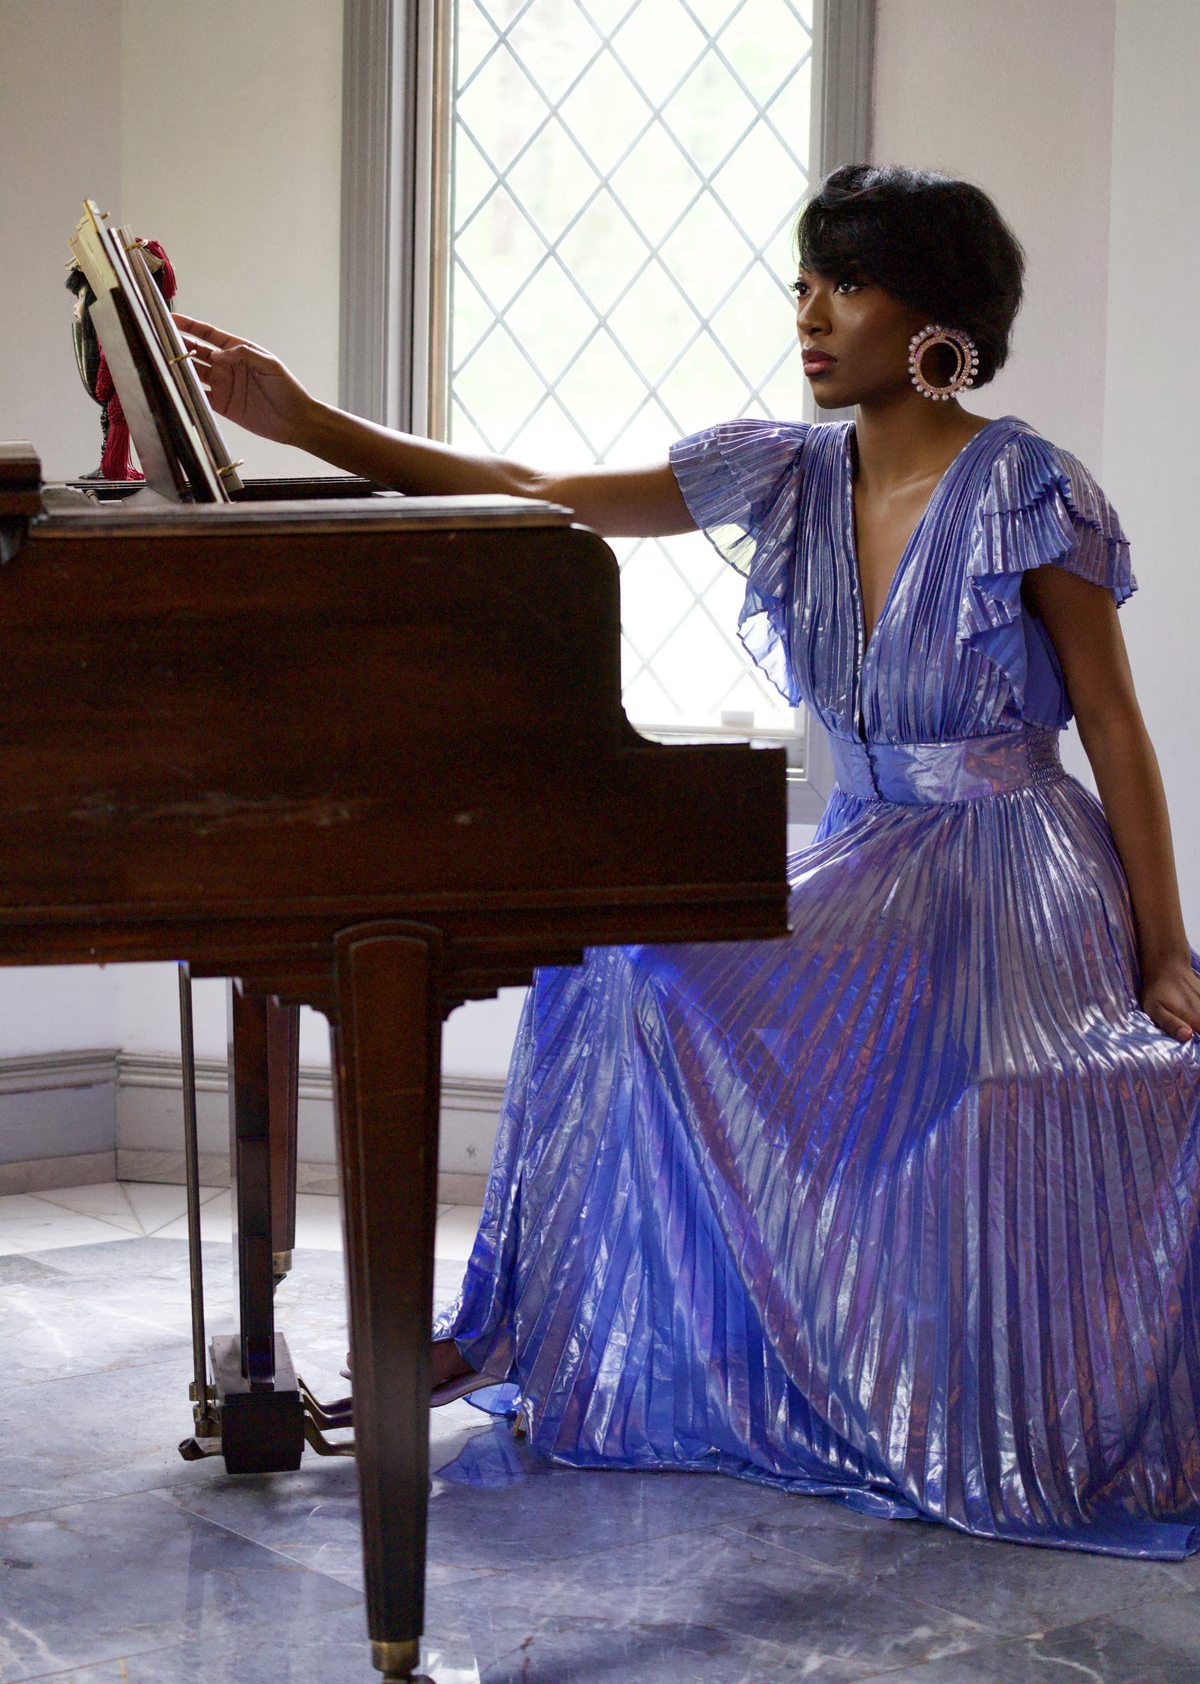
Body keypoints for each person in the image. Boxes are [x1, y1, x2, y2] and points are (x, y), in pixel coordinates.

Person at [178, 164, 1200, 1557]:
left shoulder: (1029, 485)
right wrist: (304, 421)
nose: (812, 314)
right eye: (805, 284)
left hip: (1015, 880)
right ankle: (531, 1329)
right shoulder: (785, 470)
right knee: (613, 959)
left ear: (937, 318)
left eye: (849, 284)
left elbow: (1117, 730)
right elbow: (537, 492)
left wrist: (1164, 949)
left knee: (958, 1076)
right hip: (867, 860)